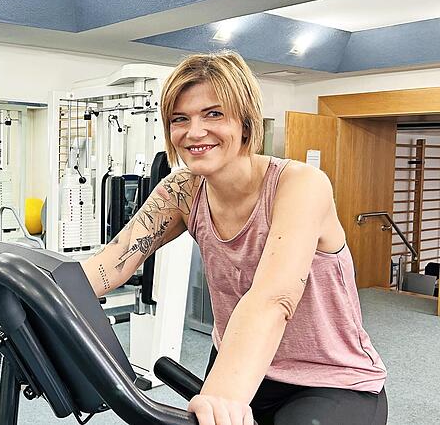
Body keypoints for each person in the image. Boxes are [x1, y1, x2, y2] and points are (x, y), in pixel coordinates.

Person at [81, 51, 387, 425]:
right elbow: (112, 262)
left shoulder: (300, 184)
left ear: (245, 122)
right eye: (181, 119)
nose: (194, 132)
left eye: (213, 114)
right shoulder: (182, 190)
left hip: (329, 378)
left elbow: (273, 297)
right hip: (240, 360)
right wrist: (30, 288)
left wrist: (222, 394)